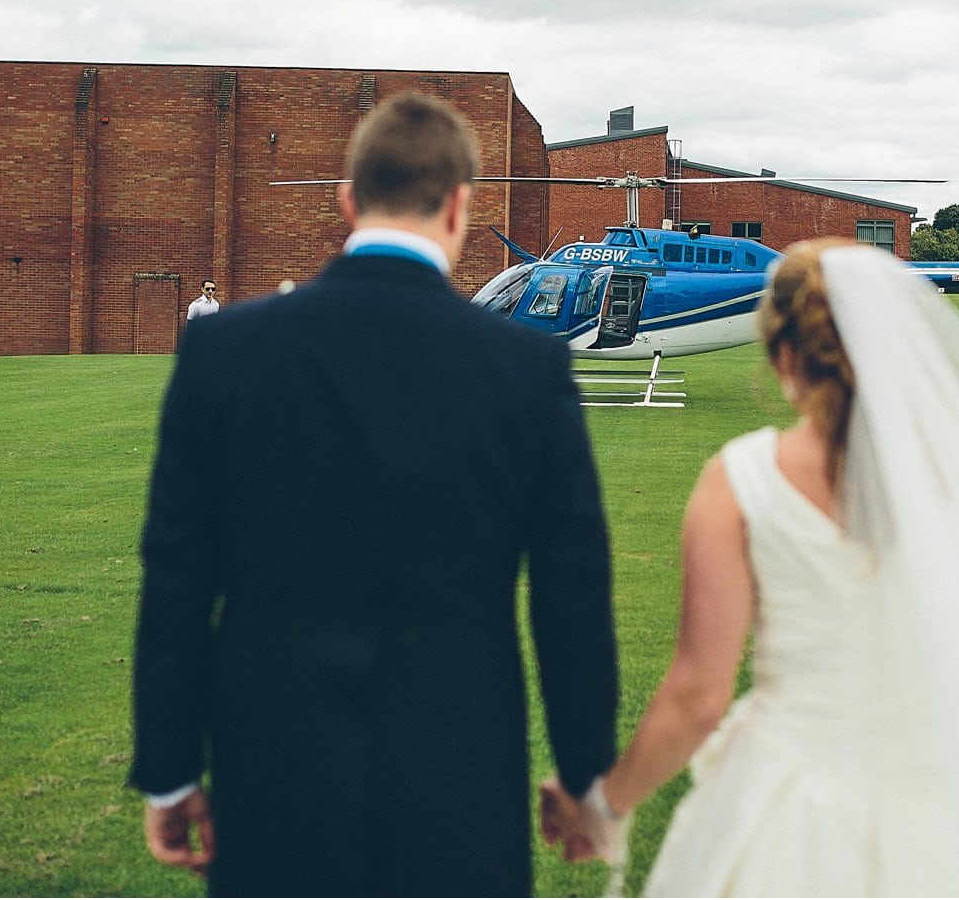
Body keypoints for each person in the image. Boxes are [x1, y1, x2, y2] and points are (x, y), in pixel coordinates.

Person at [543, 239, 959, 896]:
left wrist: (602, 805)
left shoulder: (740, 479)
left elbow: (698, 696)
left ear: (783, 354)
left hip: (791, 802)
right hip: (953, 796)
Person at [130, 92, 620, 896]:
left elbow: (178, 574)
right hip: (459, 772)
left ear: (348, 202)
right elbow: (571, 594)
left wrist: (169, 772)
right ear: (461, 205)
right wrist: (583, 776)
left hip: (272, 769)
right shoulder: (524, 372)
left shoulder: (225, 351)